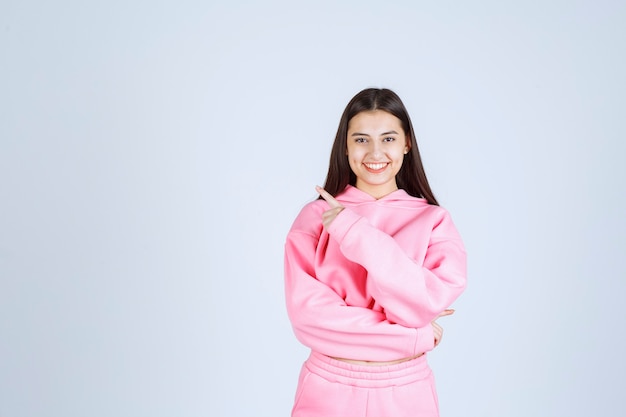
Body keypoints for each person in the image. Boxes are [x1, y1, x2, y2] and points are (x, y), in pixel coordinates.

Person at [284, 88, 467, 417]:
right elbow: (311, 320)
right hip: (328, 391)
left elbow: (423, 302)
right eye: (361, 139)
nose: (374, 152)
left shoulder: (434, 221)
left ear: (406, 143)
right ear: (345, 145)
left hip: (406, 394)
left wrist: (356, 234)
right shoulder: (313, 219)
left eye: (388, 138)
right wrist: (412, 336)